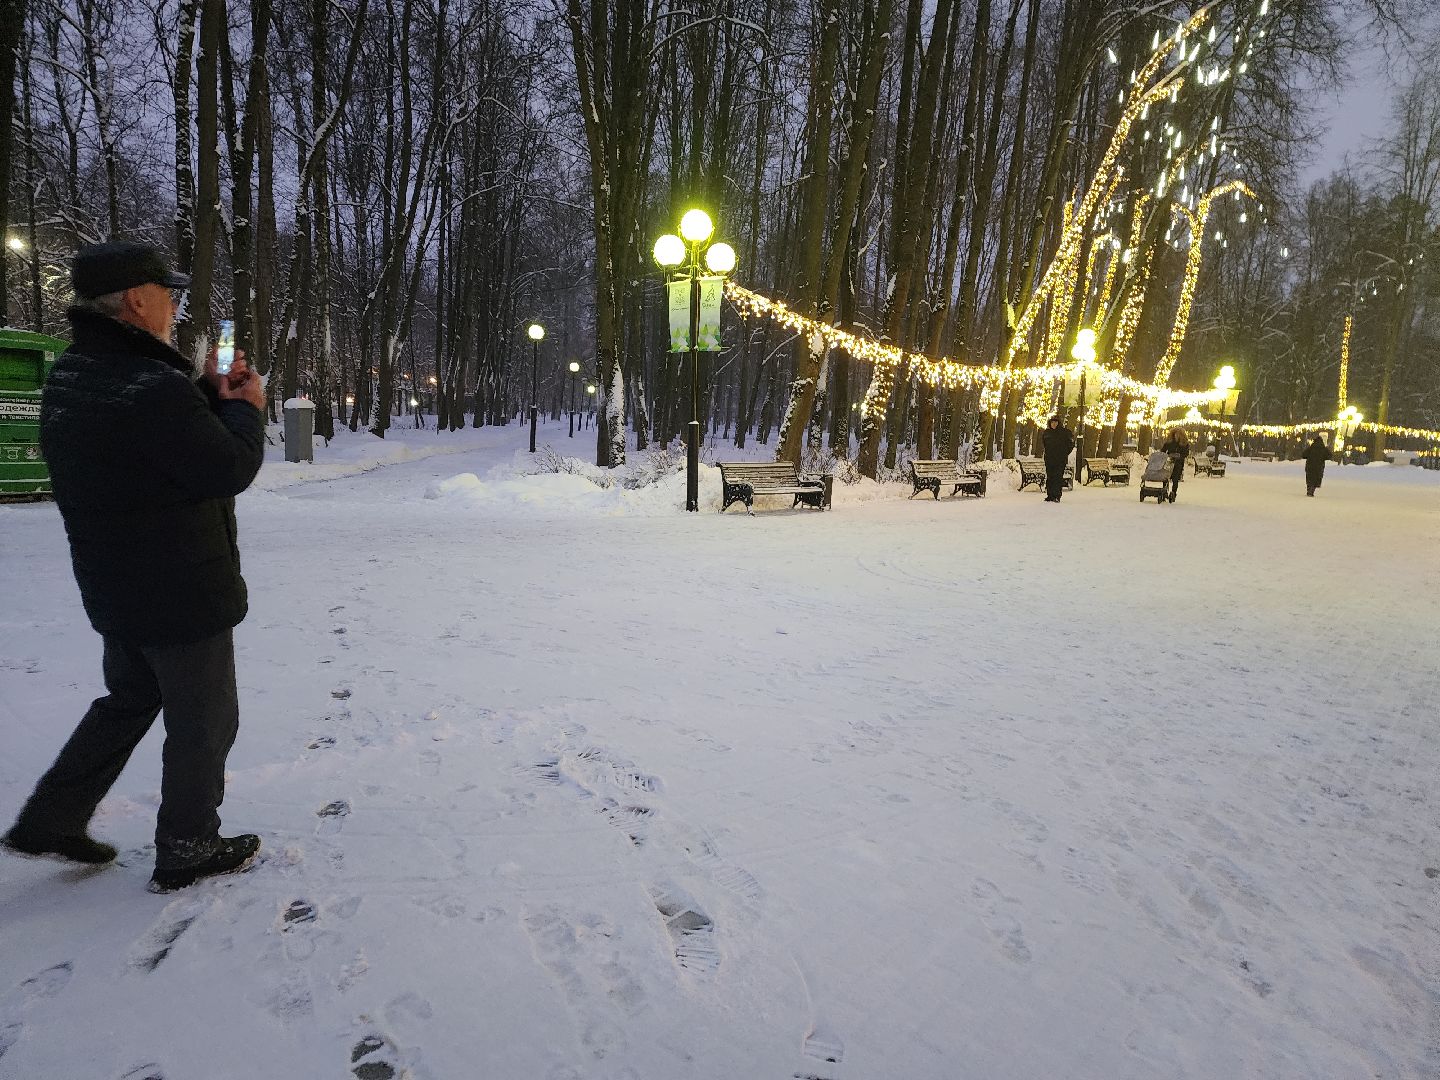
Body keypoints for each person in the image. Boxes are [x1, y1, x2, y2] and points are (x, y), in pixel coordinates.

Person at [1, 240, 268, 893]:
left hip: (117, 588)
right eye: (167, 293)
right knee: (206, 721)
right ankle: (187, 845)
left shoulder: (79, 373)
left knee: (130, 697)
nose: (175, 306)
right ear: (137, 301)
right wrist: (241, 407)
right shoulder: (147, 385)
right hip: (179, 591)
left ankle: (51, 818)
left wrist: (203, 392)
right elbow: (224, 467)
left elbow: (152, 451)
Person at [1041, 415, 1075, 502]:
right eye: (1052, 422)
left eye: (1055, 422)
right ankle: (1050, 495)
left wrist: (1064, 453)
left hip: (1060, 459)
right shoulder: (1047, 433)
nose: (1054, 424)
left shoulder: (1064, 432)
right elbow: (1045, 444)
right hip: (1049, 459)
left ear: (1058, 423)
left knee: (1057, 477)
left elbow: (1071, 444)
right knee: (1050, 477)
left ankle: (1056, 495)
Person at [1159, 428, 1190, 503]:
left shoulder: (1184, 443)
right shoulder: (1169, 442)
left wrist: (1180, 456)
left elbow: (1186, 453)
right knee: (1166, 477)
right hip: (1169, 462)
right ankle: (1164, 490)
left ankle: (1173, 492)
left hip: (1178, 463)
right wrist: (1166, 455)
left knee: (1175, 478)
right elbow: (1163, 450)